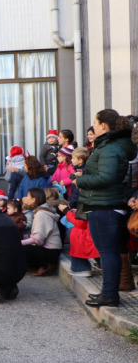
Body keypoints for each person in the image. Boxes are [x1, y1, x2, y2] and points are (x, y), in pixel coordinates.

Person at [76, 110, 136, 306]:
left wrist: (80, 181)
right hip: (107, 204)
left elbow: (106, 177)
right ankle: (109, 292)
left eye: (95, 122)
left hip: (105, 207)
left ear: (103, 125)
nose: (92, 126)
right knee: (111, 252)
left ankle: (109, 295)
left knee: (107, 252)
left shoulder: (109, 148)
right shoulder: (111, 146)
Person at [21, 188, 62, 277]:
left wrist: (19, 242)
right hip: (52, 249)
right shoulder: (42, 210)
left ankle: (45, 265)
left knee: (19, 249)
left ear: (34, 199)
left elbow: (38, 240)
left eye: (28, 196)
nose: (25, 198)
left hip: (51, 251)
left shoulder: (41, 214)